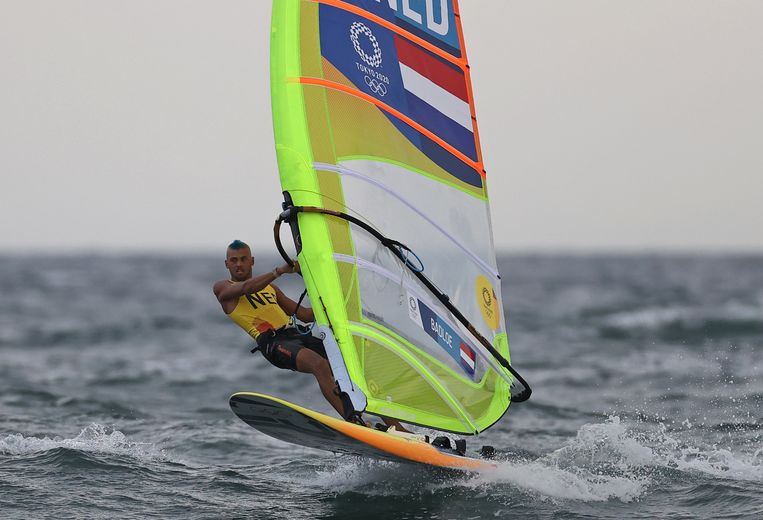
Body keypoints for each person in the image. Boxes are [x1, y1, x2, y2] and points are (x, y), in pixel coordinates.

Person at [213, 240, 350, 419]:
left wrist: (335, 300)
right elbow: (248, 287)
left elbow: (305, 315)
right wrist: (278, 271)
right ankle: (352, 419)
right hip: (273, 343)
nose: (239, 264)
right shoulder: (222, 288)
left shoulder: (271, 289)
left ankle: (393, 425)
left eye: (243, 259)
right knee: (318, 364)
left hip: (296, 334)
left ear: (251, 261)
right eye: (234, 260)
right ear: (226, 264)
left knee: (348, 365)